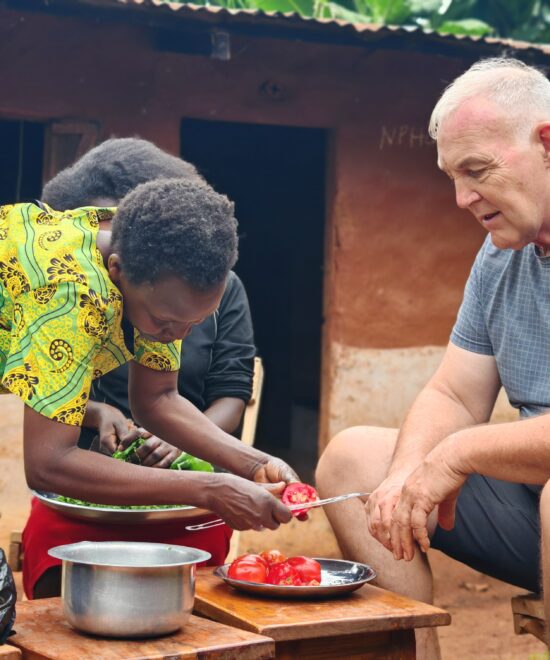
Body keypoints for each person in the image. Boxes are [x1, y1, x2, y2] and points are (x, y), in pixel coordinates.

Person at [316, 57, 550, 658]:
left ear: (547, 143)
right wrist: (406, 472)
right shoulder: (500, 257)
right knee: (355, 464)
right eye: (452, 176)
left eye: (476, 170)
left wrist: (460, 451)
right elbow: (453, 393)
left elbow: (464, 436)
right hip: (534, 506)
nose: (461, 198)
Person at [0, 158, 299, 588]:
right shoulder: (69, 294)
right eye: (167, 322)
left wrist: (255, 464)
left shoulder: (155, 263)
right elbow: (48, 464)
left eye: (195, 323)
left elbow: (157, 399)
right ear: (118, 272)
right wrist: (209, 489)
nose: (177, 335)